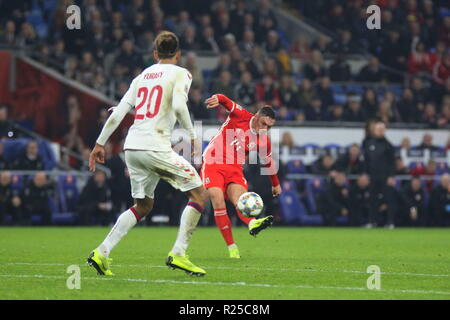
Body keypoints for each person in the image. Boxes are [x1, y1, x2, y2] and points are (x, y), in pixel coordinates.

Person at [87, 31, 208, 277]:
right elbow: (177, 105)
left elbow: (119, 111)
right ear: (179, 54)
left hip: (132, 148)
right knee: (199, 193)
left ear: (155, 54)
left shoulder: (141, 76)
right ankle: (179, 254)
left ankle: (102, 252)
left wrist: (99, 144)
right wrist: (193, 136)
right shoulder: (181, 73)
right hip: (155, 147)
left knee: (143, 205)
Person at [202, 93, 281, 258]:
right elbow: (225, 100)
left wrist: (275, 183)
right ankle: (232, 247)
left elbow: (268, 163)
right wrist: (217, 98)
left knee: (240, 199)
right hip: (213, 162)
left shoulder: (263, 141)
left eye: (269, 127)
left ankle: (252, 224)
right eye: (264, 124)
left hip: (234, 169)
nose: (265, 129)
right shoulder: (241, 115)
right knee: (217, 199)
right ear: (257, 116)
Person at [362, 121, 396, 228]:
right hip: (373, 176)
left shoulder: (389, 145)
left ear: (385, 130)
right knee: (372, 200)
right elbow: (366, 161)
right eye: (378, 129)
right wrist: (365, 174)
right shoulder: (368, 143)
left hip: (385, 177)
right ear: (374, 130)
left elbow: (392, 163)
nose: (380, 131)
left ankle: (390, 222)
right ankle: (372, 221)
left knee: (389, 200)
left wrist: (391, 176)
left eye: (382, 129)